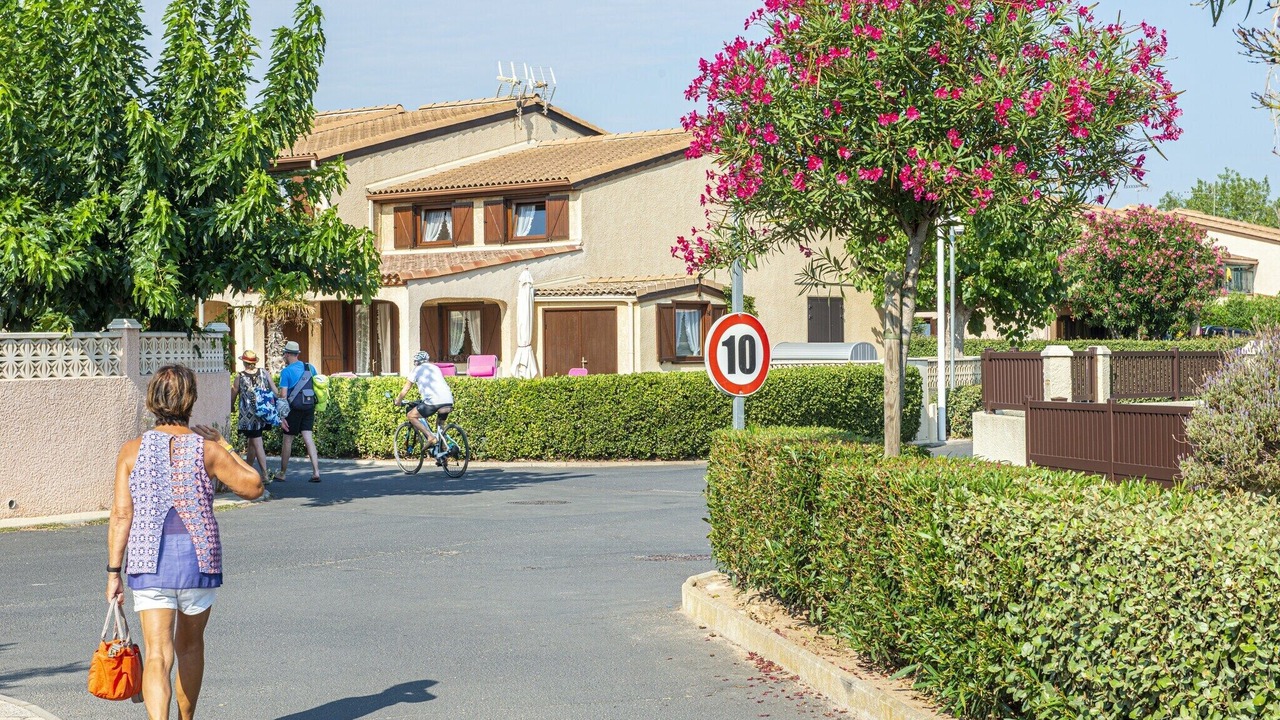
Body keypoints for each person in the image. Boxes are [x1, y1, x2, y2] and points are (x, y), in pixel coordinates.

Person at [106, 365, 263, 720]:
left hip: (148, 560)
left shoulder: (131, 451)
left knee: (158, 654)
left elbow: (120, 516)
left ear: (152, 401)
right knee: (190, 648)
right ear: (190, 400)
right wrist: (224, 443)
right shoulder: (208, 450)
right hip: (199, 560)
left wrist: (113, 572)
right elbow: (253, 486)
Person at [229, 350, 278, 485]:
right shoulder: (264, 373)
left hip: (249, 417)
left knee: (257, 442)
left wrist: (231, 406)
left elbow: (233, 393)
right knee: (252, 443)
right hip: (263, 413)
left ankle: (265, 474)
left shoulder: (240, 377)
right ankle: (248, 471)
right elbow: (275, 391)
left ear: (244, 362)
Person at [395, 350, 455, 460]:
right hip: (448, 400)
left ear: (416, 362)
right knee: (440, 426)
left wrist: (398, 401)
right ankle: (442, 454)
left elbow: (406, 388)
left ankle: (430, 437)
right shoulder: (435, 368)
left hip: (433, 401)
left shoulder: (416, 370)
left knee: (411, 415)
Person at [277, 340, 321, 483]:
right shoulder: (310, 367)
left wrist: (281, 414)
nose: (284, 356)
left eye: (285, 353)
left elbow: (283, 395)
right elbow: (317, 385)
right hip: (309, 406)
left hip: (294, 409)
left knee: (288, 439)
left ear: (288, 354)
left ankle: (282, 473)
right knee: (308, 438)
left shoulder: (286, 372)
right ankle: (316, 472)